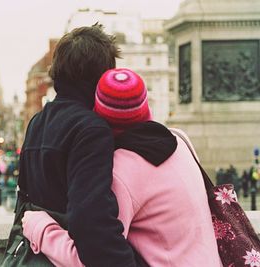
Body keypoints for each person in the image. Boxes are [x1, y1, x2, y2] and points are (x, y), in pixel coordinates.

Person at [22, 68, 222, 266]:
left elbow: (94, 257)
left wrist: (40, 228)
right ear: (145, 108)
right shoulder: (180, 140)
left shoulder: (121, 172)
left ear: (99, 114)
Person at [16, 24, 138, 266]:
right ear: (103, 76)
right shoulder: (91, 129)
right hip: (66, 255)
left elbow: (26, 195)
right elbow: (90, 219)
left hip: (40, 253)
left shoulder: (37, 123)